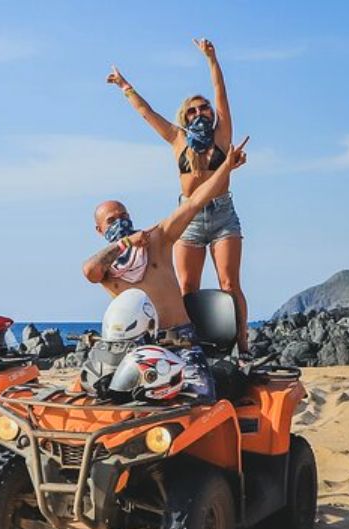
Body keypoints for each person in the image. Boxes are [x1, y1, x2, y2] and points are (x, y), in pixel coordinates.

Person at [106, 38, 249, 352]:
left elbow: (220, 91)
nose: (200, 112)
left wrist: (212, 59)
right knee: (187, 286)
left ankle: (243, 344)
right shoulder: (177, 140)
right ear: (185, 117)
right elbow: (148, 113)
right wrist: (124, 85)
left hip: (223, 214)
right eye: (193, 110)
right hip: (189, 219)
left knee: (228, 283)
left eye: (204, 108)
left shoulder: (222, 135)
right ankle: (189, 344)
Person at [82, 137, 249, 402]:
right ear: (99, 230)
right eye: (112, 220)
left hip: (179, 342)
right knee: (99, 396)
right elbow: (90, 270)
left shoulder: (156, 239)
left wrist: (225, 167)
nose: (120, 222)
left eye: (124, 216)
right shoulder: (107, 269)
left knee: (201, 397)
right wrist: (125, 243)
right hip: (134, 348)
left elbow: (193, 203)